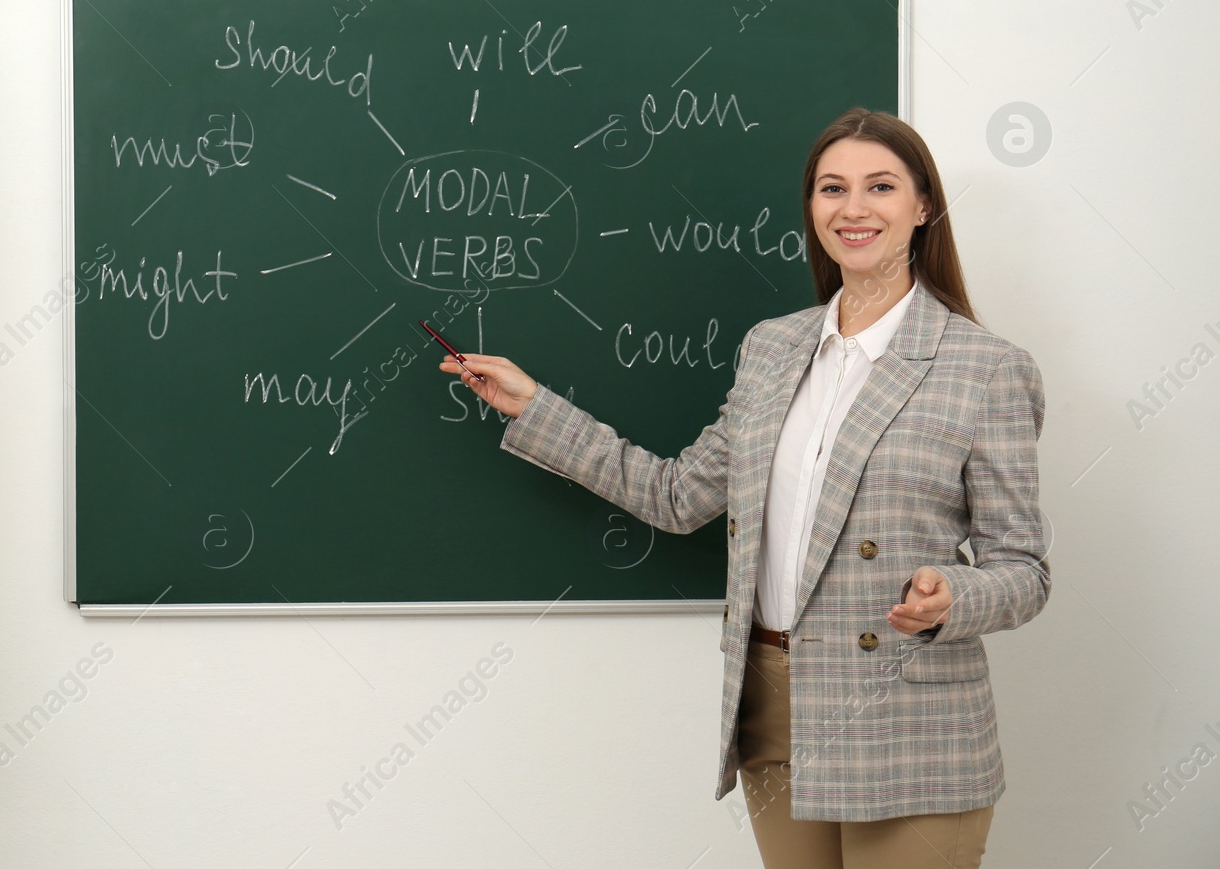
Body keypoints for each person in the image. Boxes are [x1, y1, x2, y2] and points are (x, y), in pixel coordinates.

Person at [438, 108, 1049, 869]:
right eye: (832, 188)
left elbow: (1023, 569)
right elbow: (675, 494)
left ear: (922, 207)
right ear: (812, 207)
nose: (853, 208)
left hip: (908, 713)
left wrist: (952, 597)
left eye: (880, 186)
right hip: (772, 697)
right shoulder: (772, 347)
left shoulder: (986, 367)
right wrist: (536, 406)